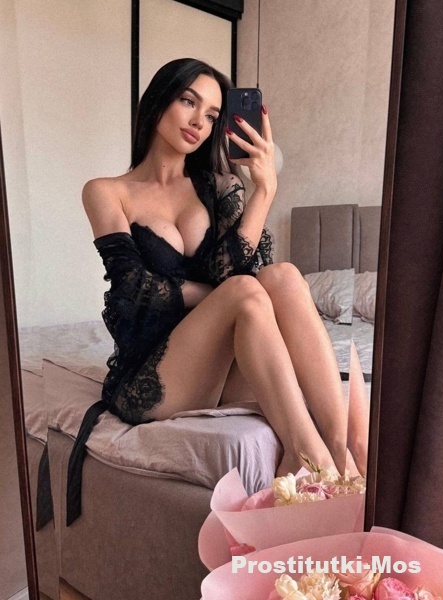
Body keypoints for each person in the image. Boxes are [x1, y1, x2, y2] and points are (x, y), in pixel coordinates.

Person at [82, 57, 356, 478]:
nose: (199, 122)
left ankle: (343, 447)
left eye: (212, 115)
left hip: (221, 368)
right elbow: (136, 287)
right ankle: (308, 453)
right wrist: (224, 297)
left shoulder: (220, 186)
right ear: (158, 101)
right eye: (188, 102)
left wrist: (265, 190)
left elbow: (249, 274)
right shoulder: (107, 191)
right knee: (245, 291)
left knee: (282, 276)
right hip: (155, 374)